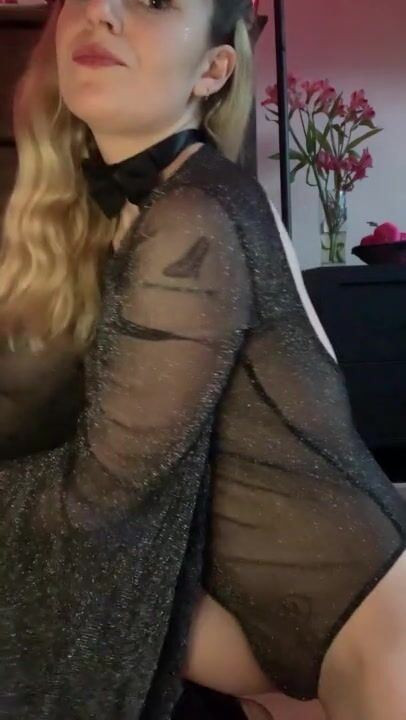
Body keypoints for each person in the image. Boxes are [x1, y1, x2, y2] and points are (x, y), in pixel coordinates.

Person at [1, 1, 406, 719]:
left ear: (214, 70)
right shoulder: (150, 203)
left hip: (371, 636)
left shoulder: (193, 215)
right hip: (268, 638)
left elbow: (103, 497)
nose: (100, 11)